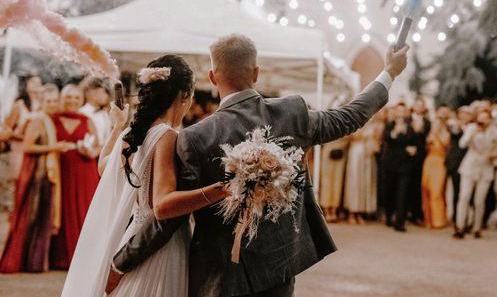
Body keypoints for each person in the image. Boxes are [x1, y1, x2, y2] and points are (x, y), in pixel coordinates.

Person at [106, 34, 408, 297]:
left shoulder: (194, 138)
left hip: (219, 274)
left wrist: (122, 262)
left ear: (212, 77)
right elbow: (349, 117)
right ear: (256, 73)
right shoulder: (293, 112)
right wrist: (388, 73)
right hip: (280, 264)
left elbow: (168, 217)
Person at [63, 55, 228, 297]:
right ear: (184, 95)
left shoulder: (133, 132)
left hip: (132, 237)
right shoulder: (167, 136)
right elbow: (162, 205)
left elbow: (103, 167)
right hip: (160, 248)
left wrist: (117, 125)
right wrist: (216, 191)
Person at [0, 85, 75, 273]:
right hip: (38, 173)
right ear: (42, 102)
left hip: (45, 171)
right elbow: (27, 147)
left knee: (43, 217)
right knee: (34, 216)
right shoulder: (37, 119)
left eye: (55, 101)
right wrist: (54, 147)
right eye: (49, 101)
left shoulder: (47, 119)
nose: (53, 104)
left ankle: (36, 262)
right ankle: (28, 262)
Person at [49, 84, 101, 270]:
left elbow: (98, 147)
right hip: (59, 168)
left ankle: (82, 256)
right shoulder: (51, 118)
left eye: (76, 97)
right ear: (62, 98)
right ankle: (58, 257)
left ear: (82, 100)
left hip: (83, 169)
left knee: (81, 209)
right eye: (68, 97)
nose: (72, 101)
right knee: (60, 209)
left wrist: (90, 152)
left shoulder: (87, 120)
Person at [454, 100, 497, 239]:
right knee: (464, 196)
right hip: (469, 167)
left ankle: (477, 227)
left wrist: (496, 155)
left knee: (479, 200)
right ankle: (460, 226)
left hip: (486, 168)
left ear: (490, 120)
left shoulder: (496, 133)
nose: (482, 122)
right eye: (480, 118)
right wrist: (471, 134)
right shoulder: (471, 128)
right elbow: (462, 144)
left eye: (485, 119)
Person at [381, 102, 415, 232]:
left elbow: (414, 142)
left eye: (403, 111)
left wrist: (413, 149)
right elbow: (385, 138)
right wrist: (395, 132)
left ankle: (399, 222)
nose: (401, 113)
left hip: (405, 165)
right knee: (389, 192)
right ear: (395, 112)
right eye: (398, 110)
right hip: (390, 164)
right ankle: (389, 216)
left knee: (402, 193)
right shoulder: (389, 125)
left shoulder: (410, 127)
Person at [3, 75, 43, 180]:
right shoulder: (19, 105)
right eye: (33, 82)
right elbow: (8, 128)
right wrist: (19, 135)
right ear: (26, 85)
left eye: (39, 82)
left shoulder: (43, 105)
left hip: (36, 148)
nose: (37, 84)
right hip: (18, 147)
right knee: (18, 178)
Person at [344, 116, 381, 224]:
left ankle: (360, 212)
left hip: (367, 156)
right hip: (356, 154)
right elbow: (352, 137)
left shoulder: (372, 124)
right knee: (355, 182)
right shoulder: (355, 122)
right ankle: (352, 212)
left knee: (364, 183)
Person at [421, 106, 450, 229]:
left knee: (436, 191)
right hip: (429, 162)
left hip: (440, 162)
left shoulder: (446, 134)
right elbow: (426, 148)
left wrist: (437, 135)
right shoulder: (430, 134)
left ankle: (439, 220)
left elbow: (446, 147)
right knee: (426, 188)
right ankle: (428, 219)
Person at [445, 106, 472, 228]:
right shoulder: (455, 125)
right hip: (455, 164)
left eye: (467, 114)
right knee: (456, 192)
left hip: (469, 164)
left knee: (465, 193)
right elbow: (453, 131)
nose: (464, 116)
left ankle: (464, 218)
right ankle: (457, 218)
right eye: (462, 113)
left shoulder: (473, 128)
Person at [407, 97, 430, 224]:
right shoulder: (407, 119)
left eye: (421, 105)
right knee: (405, 186)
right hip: (406, 158)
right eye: (417, 105)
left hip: (421, 158)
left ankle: (416, 214)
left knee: (417, 186)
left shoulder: (427, 122)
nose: (419, 107)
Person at [79, 78, 112, 147]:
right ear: (92, 93)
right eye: (103, 93)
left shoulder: (104, 113)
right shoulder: (82, 113)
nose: (106, 96)